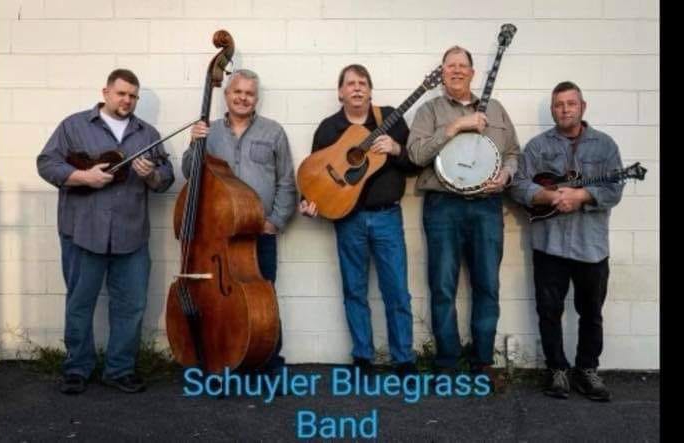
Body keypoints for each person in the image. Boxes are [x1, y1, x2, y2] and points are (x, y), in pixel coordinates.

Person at [36, 69, 175, 395]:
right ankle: (76, 368)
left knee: (131, 304)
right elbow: (46, 163)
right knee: (80, 302)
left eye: (132, 96)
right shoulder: (74, 126)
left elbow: (167, 177)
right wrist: (84, 178)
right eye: (121, 93)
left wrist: (152, 174)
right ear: (106, 92)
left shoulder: (148, 134)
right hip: (83, 231)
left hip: (131, 235)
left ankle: (120, 369)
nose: (127, 100)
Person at [406, 46, 521, 391]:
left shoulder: (496, 110)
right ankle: (446, 365)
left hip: (487, 206)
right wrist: (455, 127)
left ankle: (482, 362)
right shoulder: (430, 110)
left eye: (462, 65)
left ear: (472, 72)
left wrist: (508, 175)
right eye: (449, 66)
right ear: (443, 73)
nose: (456, 70)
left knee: (487, 284)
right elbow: (415, 154)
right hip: (444, 206)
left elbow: (513, 152)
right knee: (442, 286)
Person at [298, 64, 422, 377]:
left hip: (387, 218)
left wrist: (396, 149)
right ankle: (363, 357)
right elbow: (315, 176)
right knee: (354, 291)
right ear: (340, 92)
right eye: (350, 83)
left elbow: (414, 165)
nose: (356, 88)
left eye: (362, 83)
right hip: (348, 220)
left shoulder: (389, 119)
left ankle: (403, 359)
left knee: (397, 291)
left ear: (370, 90)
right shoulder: (329, 129)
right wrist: (308, 203)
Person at [510, 81, 624, 402]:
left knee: (591, 312)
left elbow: (614, 189)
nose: (565, 110)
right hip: (550, 245)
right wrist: (548, 196)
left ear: (582, 107)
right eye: (559, 105)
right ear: (552, 110)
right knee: (549, 310)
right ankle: (556, 370)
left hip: (592, 247)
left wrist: (582, 195)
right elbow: (518, 186)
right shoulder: (536, 147)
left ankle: (587, 370)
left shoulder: (605, 146)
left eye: (571, 104)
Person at [184, 69, 297, 378]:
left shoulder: (273, 132)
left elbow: (287, 182)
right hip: (217, 237)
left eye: (249, 93)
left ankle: (271, 364)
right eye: (238, 92)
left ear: (256, 98)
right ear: (226, 94)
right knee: (220, 300)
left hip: (258, 234)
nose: (243, 97)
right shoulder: (210, 132)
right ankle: (223, 359)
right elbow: (189, 175)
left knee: (264, 299)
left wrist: (275, 222)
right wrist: (194, 143)